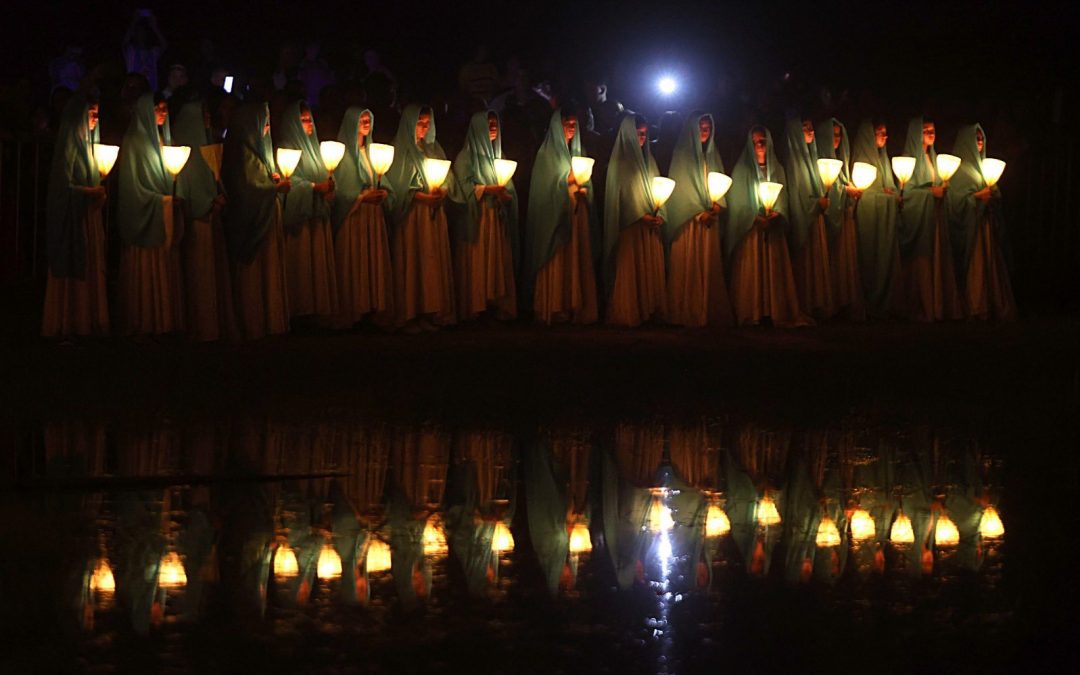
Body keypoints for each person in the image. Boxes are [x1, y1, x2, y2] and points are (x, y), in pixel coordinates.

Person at [724, 126, 811, 327]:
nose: (760, 145)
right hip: (751, 231)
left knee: (773, 270)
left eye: (763, 140)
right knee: (752, 270)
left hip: (773, 230)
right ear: (750, 145)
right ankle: (752, 311)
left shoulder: (777, 169)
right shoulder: (742, 170)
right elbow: (737, 202)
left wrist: (776, 213)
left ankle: (774, 309)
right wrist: (755, 218)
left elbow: (784, 197)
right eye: (756, 142)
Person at [116, 93, 185, 336]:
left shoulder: (162, 139)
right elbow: (132, 186)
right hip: (146, 214)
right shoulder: (136, 140)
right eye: (158, 108)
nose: (163, 112)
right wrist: (162, 200)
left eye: (165, 108)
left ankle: (163, 322)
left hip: (162, 212)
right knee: (146, 271)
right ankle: (145, 322)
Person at [42, 95, 110, 339]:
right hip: (73, 218)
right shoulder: (70, 142)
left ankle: (86, 320)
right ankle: (67, 321)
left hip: (86, 217)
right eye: (91, 112)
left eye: (97, 114)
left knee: (88, 264)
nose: (95, 118)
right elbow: (63, 186)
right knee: (72, 262)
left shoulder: (88, 144)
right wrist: (91, 191)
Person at [222, 103, 291, 339]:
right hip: (253, 223)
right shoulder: (242, 151)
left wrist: (272, 179)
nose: (268, 127)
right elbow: (246, 188)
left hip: (268, 218)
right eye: (264, 121)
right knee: (255, 274)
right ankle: (254, 322)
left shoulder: (260, 150)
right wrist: (274, 187)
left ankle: (270, 320)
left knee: (269, 271)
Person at [385, 105, 456, 331]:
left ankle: (431, 309)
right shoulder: (401, 151)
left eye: (427, 123)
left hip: (434, 215)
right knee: (414, 261)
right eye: (419, 123)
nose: (424, 128)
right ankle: (410, 312)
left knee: (432, 260)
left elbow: (448, 177)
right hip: (413, 216)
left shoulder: (434, 149)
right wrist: (420, 196)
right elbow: (398, 184)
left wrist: (443, 190)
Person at [173, 97, 238, 341]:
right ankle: (202, 327)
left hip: (213, 217)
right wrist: (208, 201)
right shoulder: (185, 150)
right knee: (200, 274)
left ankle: (213, 325)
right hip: (197, 221)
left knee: (212, 272)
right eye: (204, 117)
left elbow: (215, 178)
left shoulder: (209, 145)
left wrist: (220, 195)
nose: (208, 121)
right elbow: (187, 185)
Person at [525, 109, 599, 325]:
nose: (571, 129)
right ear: (558, 126)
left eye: (575, 125)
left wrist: (585, 190)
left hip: (577, 215)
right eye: (567, 124)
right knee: (560, 257)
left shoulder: (579, 151)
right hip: (556, 217)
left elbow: (587, 182)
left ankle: (576, 304)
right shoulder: (547, 154)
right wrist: (567, 181)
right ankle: (555, 305)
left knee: (577, 256)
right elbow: (545, 187)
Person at [663, 112, 734, 327]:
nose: (705, 132)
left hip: (709, 220)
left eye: (708, 128)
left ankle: (706, 308)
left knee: (707, 264)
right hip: (689, 222)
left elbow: (720, 183)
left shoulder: (713, 155)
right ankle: (688, 309)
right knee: (690, 264)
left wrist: (715, 207)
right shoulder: (682, 155)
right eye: (701, 128)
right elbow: (681, 190)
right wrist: (696, 211)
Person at [450, 111, 519, 321]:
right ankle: (476, 305)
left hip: (495, 217)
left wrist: (507, 195)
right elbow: (463, 186)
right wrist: (488, 190)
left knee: (494, 259)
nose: (493, 128)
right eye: (488, 124)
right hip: (478, 218)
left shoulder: (499, 156)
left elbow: (506, 183)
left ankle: (495, 303)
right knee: (479, 259)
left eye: (495, 124)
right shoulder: (466, 157)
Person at [331, 107, 394, 328]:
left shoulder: (372, 152)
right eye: (361, 119)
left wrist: (383, 191)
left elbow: (381, 179)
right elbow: (340, 190)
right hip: (354, 217)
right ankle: (353, 312)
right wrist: (362, 197)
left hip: (372, 217)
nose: (366, 122)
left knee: (371, 261)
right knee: (355, 261)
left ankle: (372, 309)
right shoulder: (343, 155)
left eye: (369, 118)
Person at [946, 124, 1017, 321]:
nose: (979, 142)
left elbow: (995, 192)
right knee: (976, 268)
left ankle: (993, 302)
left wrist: (993, 194)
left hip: (985, 225)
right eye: (975, 138)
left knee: (990, 265)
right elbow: (955, 199)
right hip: (972, 229)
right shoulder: (960, 169)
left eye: (981, 138)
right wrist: (977, 198)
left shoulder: (986, 165)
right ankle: (976, 305)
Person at [604, 115, 668, 327]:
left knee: (648, 268)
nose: (643, 138)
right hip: (631, 228)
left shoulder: (648, 160)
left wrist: (660, 214)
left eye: (645, 134)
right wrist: (641, 215)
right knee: (632, 269)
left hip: (649, 226)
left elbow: (658, 188)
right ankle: (630, 310)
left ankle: (649, 310)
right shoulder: (621, 161)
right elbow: (624, 196)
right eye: (639, 134)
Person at [278, 101, 339, 321]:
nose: (309, 124)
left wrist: (330, 186)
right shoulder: (287, 147)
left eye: (309, 119)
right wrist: (313, 187)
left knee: (316, 264)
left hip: (317, 216)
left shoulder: (315, 147)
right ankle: (300, 311)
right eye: (303, 120)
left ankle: (317, 310)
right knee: (302, 263)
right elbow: (288, 181)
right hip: (300, 217)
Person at [898, 117, 964, 321]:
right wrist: (929, 194)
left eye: (932, 129)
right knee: (922, 263)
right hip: (920, 219)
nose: (930, 133)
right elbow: (906, 194)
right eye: (925, 130)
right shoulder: (908, 161)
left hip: (934, 218)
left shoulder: (934, 159)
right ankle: (923, 306)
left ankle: (938, 305)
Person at [784, 117, 836, 320]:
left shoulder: (814, 158)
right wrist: (816, 204)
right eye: (805, 128)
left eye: (811, 127)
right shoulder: (794, 161)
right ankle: (807, 302)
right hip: (805, 220)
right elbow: (798, 195)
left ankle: (819, 304)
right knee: (807, 263)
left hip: (817, 220)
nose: (811, 131)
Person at [850, 120, 902, 318]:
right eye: (880, 133)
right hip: (869, 217)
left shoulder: (883, 158)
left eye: (886, 133)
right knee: (870, 256)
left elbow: (890, 186)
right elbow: (864, 193)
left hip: (885, 217)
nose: (884, 137)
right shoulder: (863, 158)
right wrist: (884, 195)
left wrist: (892, 195)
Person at [816, 117, 866, 321]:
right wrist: (844, 190)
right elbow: (825, 187)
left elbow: (842, 182)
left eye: (839, 135)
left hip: (844, 218)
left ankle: (844, 302)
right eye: (833, 135)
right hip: (827, 220)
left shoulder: (842, 162)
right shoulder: (820, 161)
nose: (836, 139)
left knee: (844, 261)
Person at [122, 10, 167, 92]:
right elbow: (124, 43)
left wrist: (154, 27)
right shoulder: (131, 52)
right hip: (133, 93)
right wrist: (134, 22)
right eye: (139, 33)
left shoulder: (152, 53)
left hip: (150, 92)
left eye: (144, 33)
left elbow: (164, 45)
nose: (141, 36)